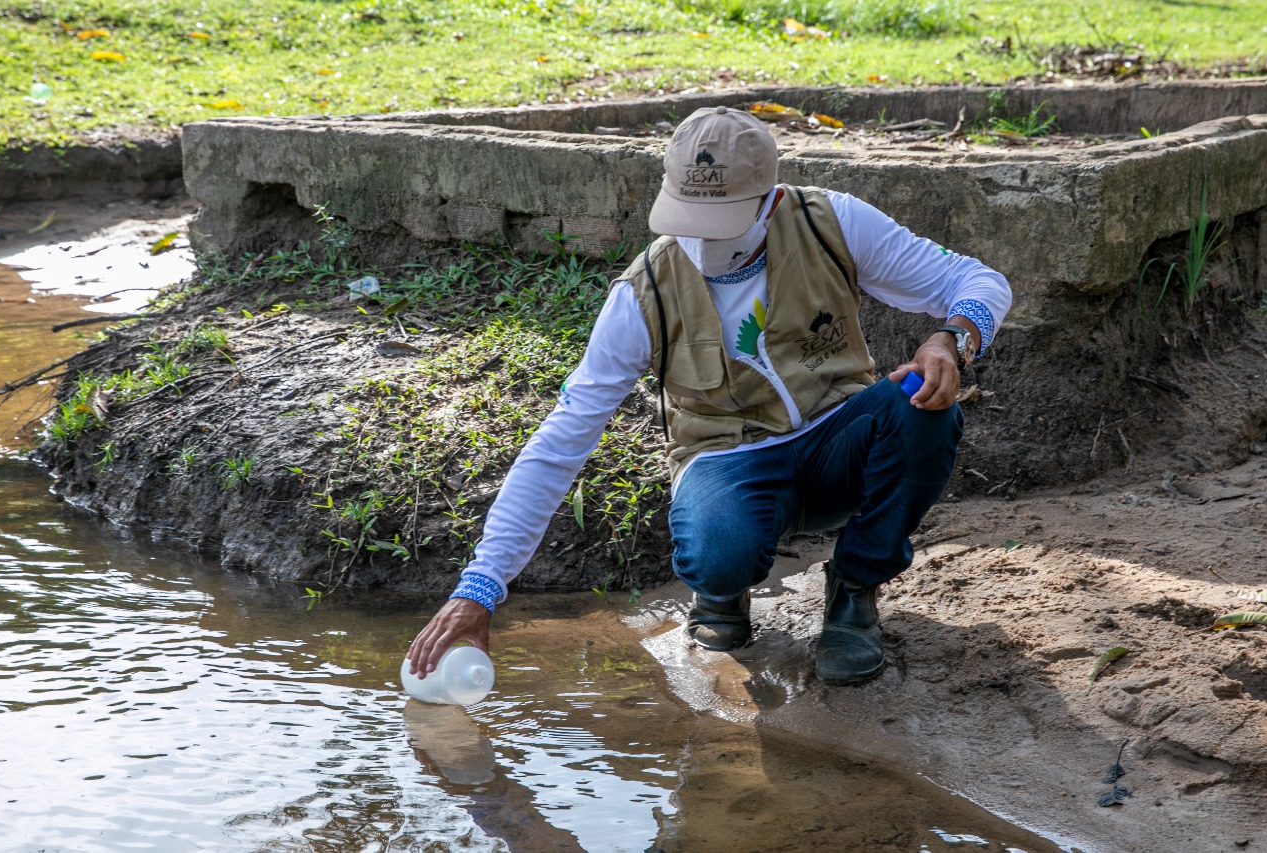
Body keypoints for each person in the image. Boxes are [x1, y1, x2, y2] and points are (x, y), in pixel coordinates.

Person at [408, 105, 1011, 685]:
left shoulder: (833, 223)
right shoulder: (642, 292)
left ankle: (854, 590)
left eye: (720, 222)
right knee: (719, 552)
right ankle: (720, 594)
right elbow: (560, 441)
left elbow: (978, 281)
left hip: (837, 442)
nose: (701, 243)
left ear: (770, 203)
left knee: (920, 402)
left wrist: (951, 339)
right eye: (688, 219)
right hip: (728, 459)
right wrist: (480, 586)